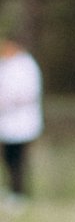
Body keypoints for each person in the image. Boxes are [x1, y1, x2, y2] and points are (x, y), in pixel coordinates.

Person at [0, 37, 44, 208]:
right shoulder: (7, 64)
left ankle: (19, 194)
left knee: (18, 160)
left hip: (22, 123)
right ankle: (11, 189)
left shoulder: (26, 66)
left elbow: (26, 93)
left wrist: (6, 101)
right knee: (8, 159)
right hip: (8, 122)